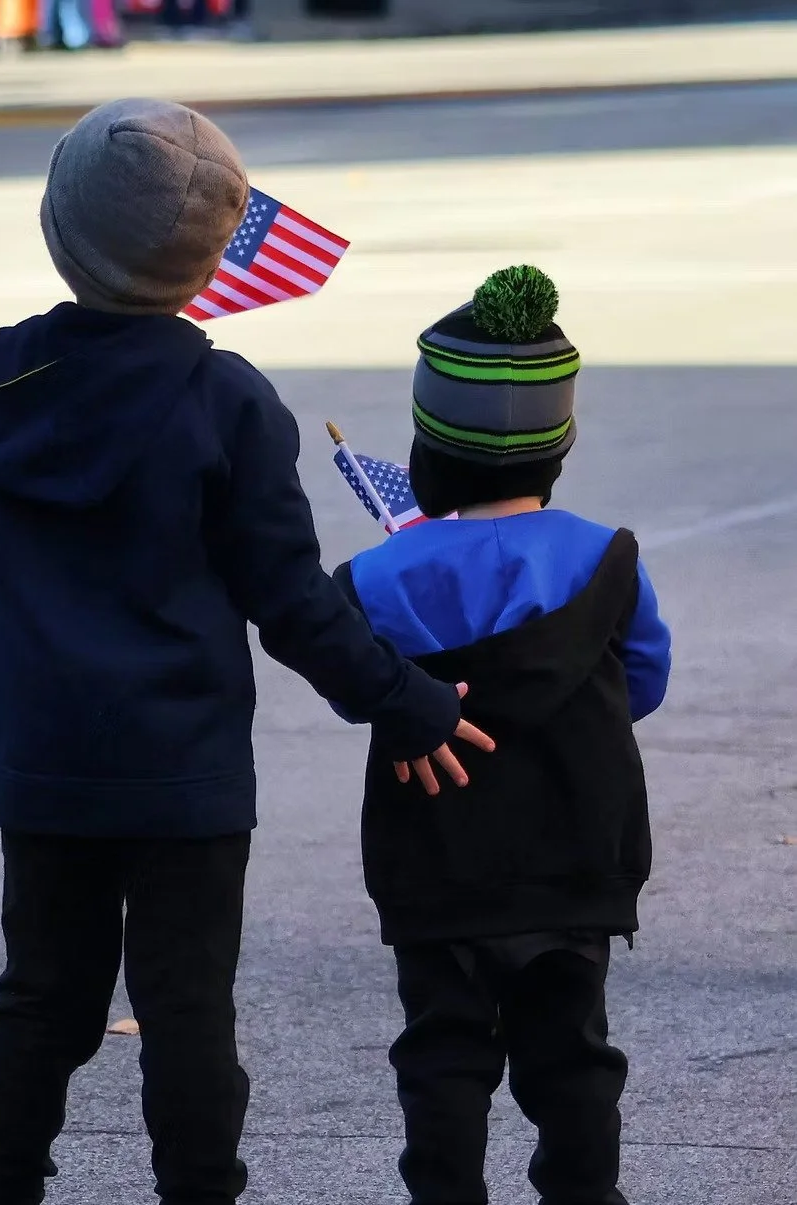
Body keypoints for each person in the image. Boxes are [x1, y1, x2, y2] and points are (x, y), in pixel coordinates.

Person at [0, 98, 494, 1205]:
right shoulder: (226, 398)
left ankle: (0, 1182)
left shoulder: (7, 367)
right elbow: (289, 599)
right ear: (209, 258)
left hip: (46, 762)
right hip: (183, 772)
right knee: (186, 1008)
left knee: (41, 994)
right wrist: (402, 698)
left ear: (60, 230)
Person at [331, 265, 672, 1205]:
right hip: (577, 856)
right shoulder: (606, 556)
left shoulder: (377, 577)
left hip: (436, 861)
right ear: (559, 446)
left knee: (443, 1053)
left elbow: (353, 690)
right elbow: (643, 681)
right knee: (574, 1057)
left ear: (429, 446)